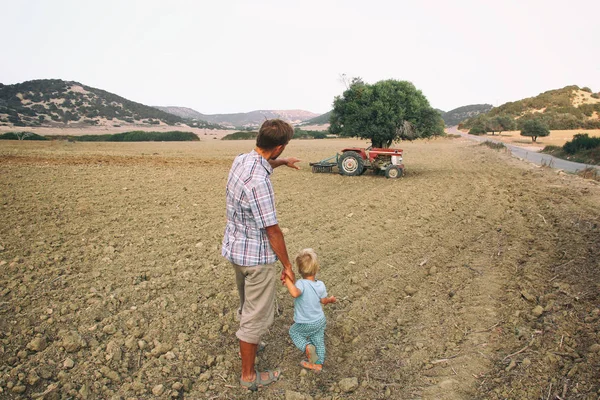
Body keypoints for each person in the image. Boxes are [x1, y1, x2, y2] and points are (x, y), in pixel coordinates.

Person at [221, 119, 300, 391]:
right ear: (278, 146)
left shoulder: (241, 160)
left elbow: (264, 163)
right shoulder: (260, 182)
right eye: (284, 149)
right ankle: (248, 376)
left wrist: (284, 161)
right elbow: (273, 229)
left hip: (236, 250)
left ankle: (250, 342)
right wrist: (287, 265)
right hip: (256, 258)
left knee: (247, 305)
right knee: (255, 318)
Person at [283, 248, 336, 372]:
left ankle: (307, 347)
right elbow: (324, 301)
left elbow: (295, 293)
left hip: (306, 322)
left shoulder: (301, 283)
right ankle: (318, 363)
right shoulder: (320, 284)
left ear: (299, 270)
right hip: (320, 320)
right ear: (316, 269)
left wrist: (287, 279)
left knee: (294, 332)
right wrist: (331, 300)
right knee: (318, 339)